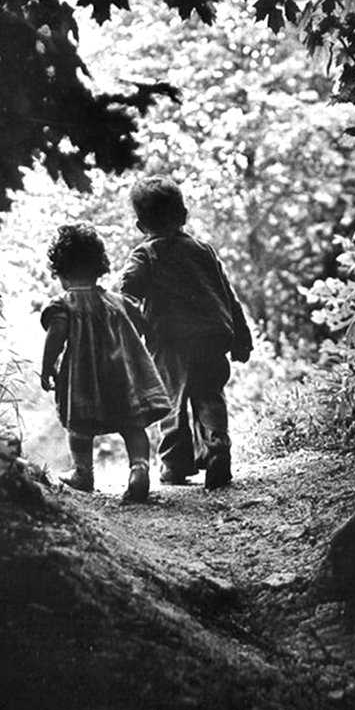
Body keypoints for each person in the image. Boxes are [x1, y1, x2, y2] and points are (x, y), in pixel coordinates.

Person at [118, 176, 253, 490]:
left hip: (170, 341)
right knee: (210, 396)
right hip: (212, 337)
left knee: (172, 402)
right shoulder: (203, 250)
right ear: (184, 215)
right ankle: (218, 448)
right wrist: (241, 336)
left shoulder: (145, 254)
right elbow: (227, 294)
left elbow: (127, 291)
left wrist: (137, 324)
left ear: (141, 226)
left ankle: (176, 465)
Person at [40, 223, 170, 501]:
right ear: (99, 267)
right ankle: (139, 469)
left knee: (78, 428)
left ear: (60, 273)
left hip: (83, 381)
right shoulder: (117, 302)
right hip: (122, 377)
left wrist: (47, 366)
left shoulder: (64, 304)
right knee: (133, 426)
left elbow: (56, 335)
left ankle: (83, 473)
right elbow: (141, 323)